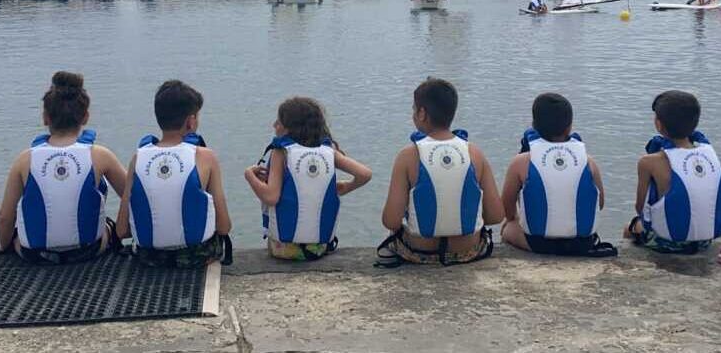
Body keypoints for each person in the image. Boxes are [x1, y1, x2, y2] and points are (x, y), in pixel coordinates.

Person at [0, 72, 127, 263]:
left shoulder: (24, 160)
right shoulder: (100, 155)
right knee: (107, 225)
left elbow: (4, 218)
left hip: (35, 255)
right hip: (87, 251)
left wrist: (5, 247)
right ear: (85, 117)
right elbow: (132, 196)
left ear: (45, 118)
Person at [377, 78, 504, 266]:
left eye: (414, 109)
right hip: (468, 251)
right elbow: (495, 216)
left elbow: (391, 221)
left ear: (422, 113)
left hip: (420, 252)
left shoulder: (408, 156)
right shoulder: (474, 153)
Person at [116, 80, 232, 266]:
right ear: (191, 121)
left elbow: (122, 230)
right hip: (197, 257)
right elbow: (224, 226)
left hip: (149, 259)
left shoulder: (138, 158)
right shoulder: (206, 157)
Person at [245, 97, 372, 261]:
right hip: (319, 248)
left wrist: (249, 175)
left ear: (289, 127)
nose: (274, 125)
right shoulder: (328, 152)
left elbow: (271, 197)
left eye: (279, 121)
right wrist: (345, 187)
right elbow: (365, 174)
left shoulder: (281, 152)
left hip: (284, 249)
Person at [500, 94, 616, 257]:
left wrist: (514, 219)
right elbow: (600, 203)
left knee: (508, 227)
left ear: (534, 125)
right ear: (569, 127)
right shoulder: (588, 161)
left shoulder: (520, 162)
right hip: (583, 244)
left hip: (539, 244)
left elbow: (507, 205)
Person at [623, 91, 721, 254]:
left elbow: (641, 207)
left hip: (669, 242)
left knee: (630, 228)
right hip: (705, 241)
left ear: (659, 124)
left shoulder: (648, 162)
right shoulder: (708, 152)